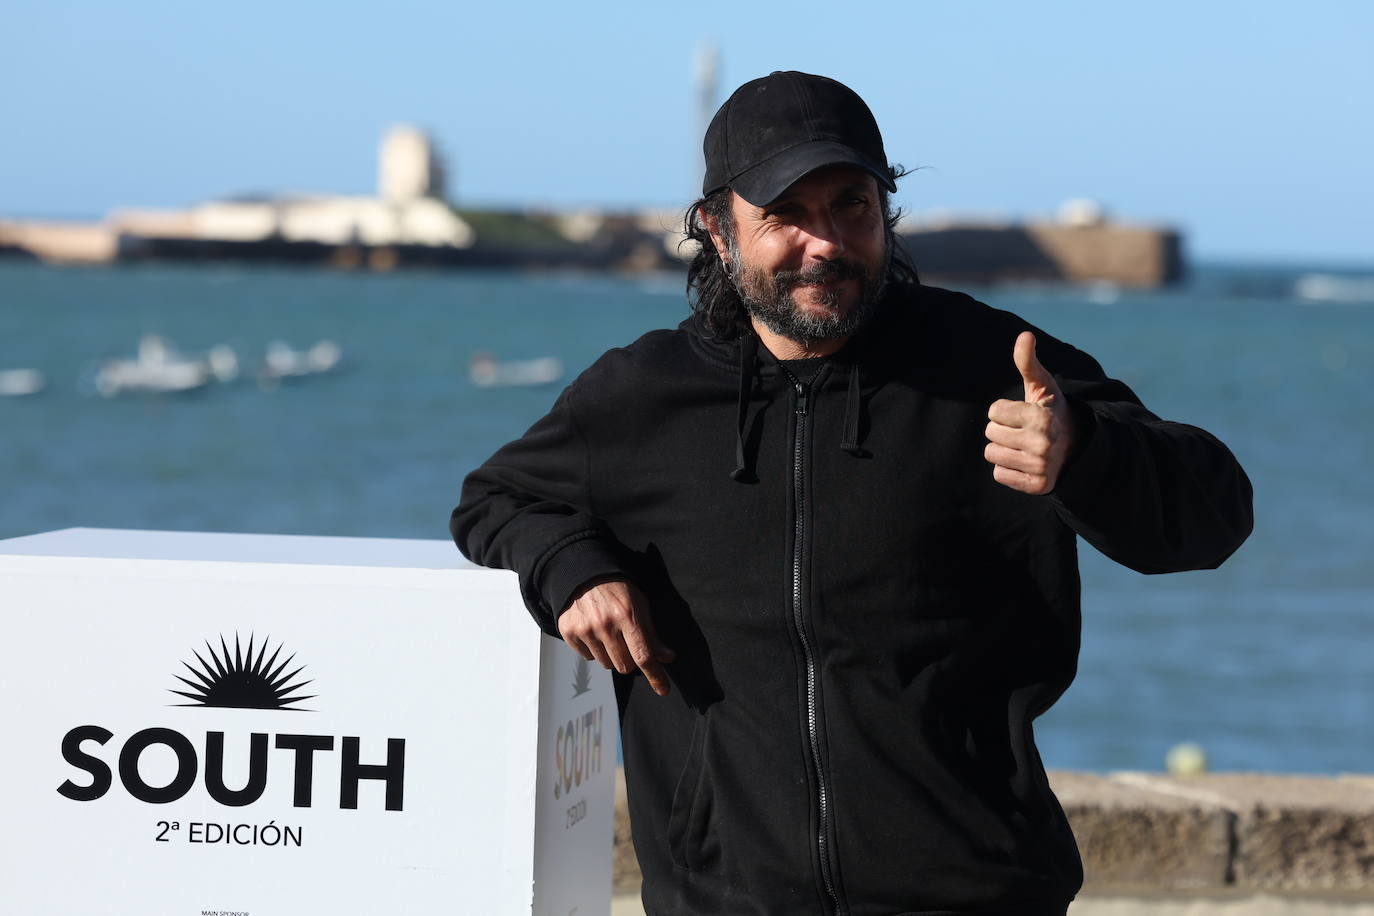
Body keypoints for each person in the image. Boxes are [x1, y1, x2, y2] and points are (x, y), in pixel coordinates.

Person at [452, 71, 1252, 916]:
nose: (825, 241)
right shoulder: (641, 396)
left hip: (974, 895)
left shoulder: (993, 366)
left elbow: (1213, 517)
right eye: (786, 216)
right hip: (722, 898)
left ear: (886, 213)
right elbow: (494, 499)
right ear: (720, 234)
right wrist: (571, 566)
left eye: (851, 206)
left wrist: (1087, 453)